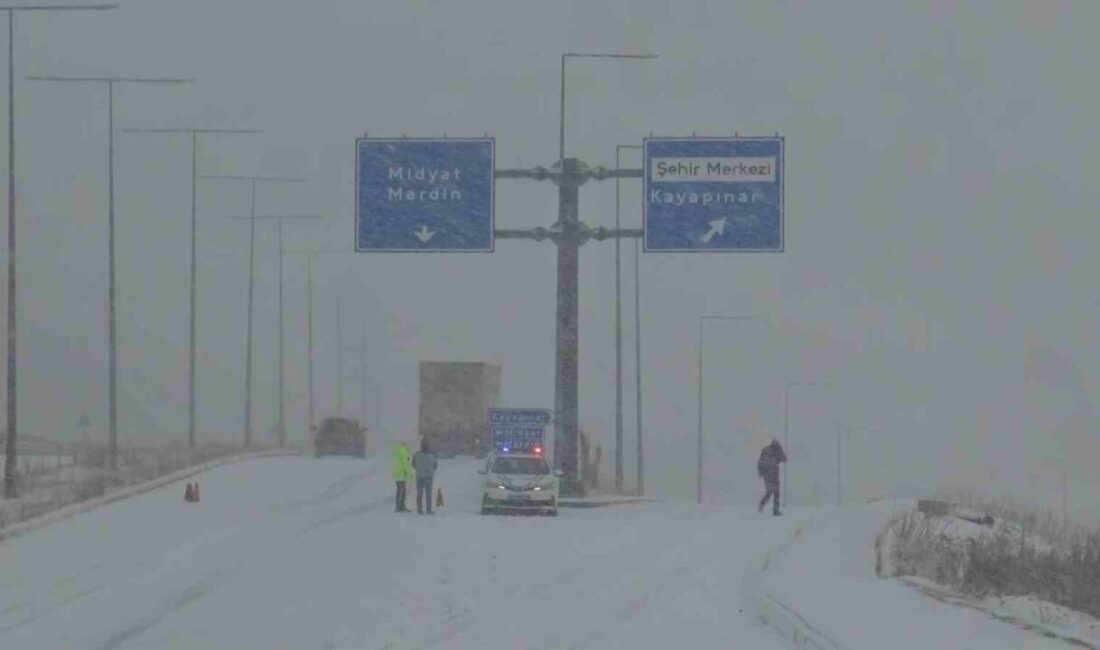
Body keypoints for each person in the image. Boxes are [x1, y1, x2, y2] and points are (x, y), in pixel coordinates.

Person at [757, 438, 787, 516]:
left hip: (769, 475)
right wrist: (780, 450)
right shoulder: (776, 451)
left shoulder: (766, 450)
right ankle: (773, 509)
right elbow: (784, 459)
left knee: (772, 492)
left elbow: (760, 462)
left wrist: (760, 472)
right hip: (772, 474)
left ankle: (765, 505)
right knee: (774, 492)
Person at [412, 439, 439, 515]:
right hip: (429, 477)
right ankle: (428, 509)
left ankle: (419, 509)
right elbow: (435, 466)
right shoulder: (433, 455)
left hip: (419, 476)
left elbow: (413, 464)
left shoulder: (417, 455)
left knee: (419, 493)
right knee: (428, 494)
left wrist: (419, 469)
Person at [392, 441, 413, 512]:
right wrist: (410, 473)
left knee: (400, 490)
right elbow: (405, 464)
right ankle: (399, 507)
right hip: (401, 473)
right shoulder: (404, 452)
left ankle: (400, 506)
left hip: (397, 473)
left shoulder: (398, 450)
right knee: (402, 491)